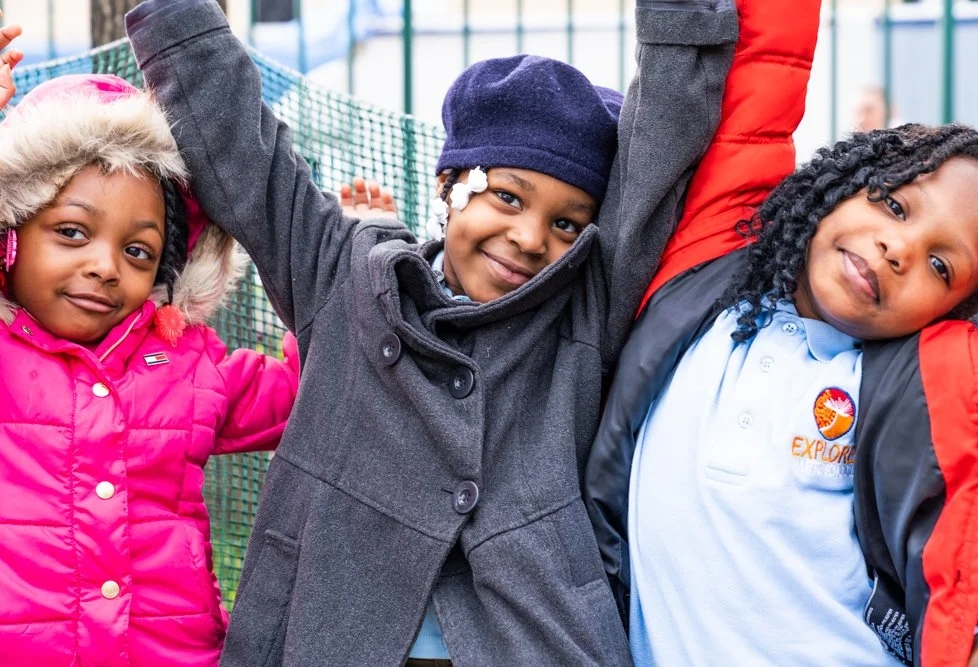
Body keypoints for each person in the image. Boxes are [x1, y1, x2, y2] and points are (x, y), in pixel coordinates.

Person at [123, 0, 738, 663]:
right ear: (450, 184)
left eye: (567, 224)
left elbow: (661, 146)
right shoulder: (346, 274)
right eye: (507, 196)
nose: (529, 239)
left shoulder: (581, 307)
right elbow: (242, 152)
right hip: (328, 632)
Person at [584, 0, 978, 665]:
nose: (899, 248)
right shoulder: (711, 267)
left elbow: (970, 540)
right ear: (845, 180)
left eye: (940, 264)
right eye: (894, 204)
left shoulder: (911, 391)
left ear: (947, 313)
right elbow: (762, 76)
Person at [0, 70, 300, 664]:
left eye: (138, 250)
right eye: (71, 232)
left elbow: (309, 386)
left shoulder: (188, 362)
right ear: (9, 234)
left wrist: (340, 272)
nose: (106, 266)